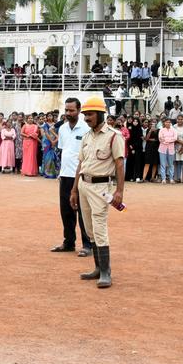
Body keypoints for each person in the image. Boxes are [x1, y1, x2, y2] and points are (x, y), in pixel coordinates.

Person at [69, 96, 125, 289]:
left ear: (101, 114)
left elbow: (119, 163)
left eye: (90, 114)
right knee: (89, 229)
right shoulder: (86, 136)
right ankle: (97, 268)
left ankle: (105, 272)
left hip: (102, 188)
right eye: (85, 114)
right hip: (84, 185)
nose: (86, 118)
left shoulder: (114, 136)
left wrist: (119, 191)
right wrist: (74, 189)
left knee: (99, 228)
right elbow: (81, 164)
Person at [53, 98, 93, 255]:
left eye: (72, 110)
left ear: (79, 110)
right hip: (65, 175)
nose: (68, 113)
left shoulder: (86, 129)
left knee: (83, 211)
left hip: (81, 176)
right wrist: (60, 173)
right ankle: (69, 242)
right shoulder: (62, 128)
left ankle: (87, 244)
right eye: (66, 110)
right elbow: (64, 151)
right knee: (66, 211)